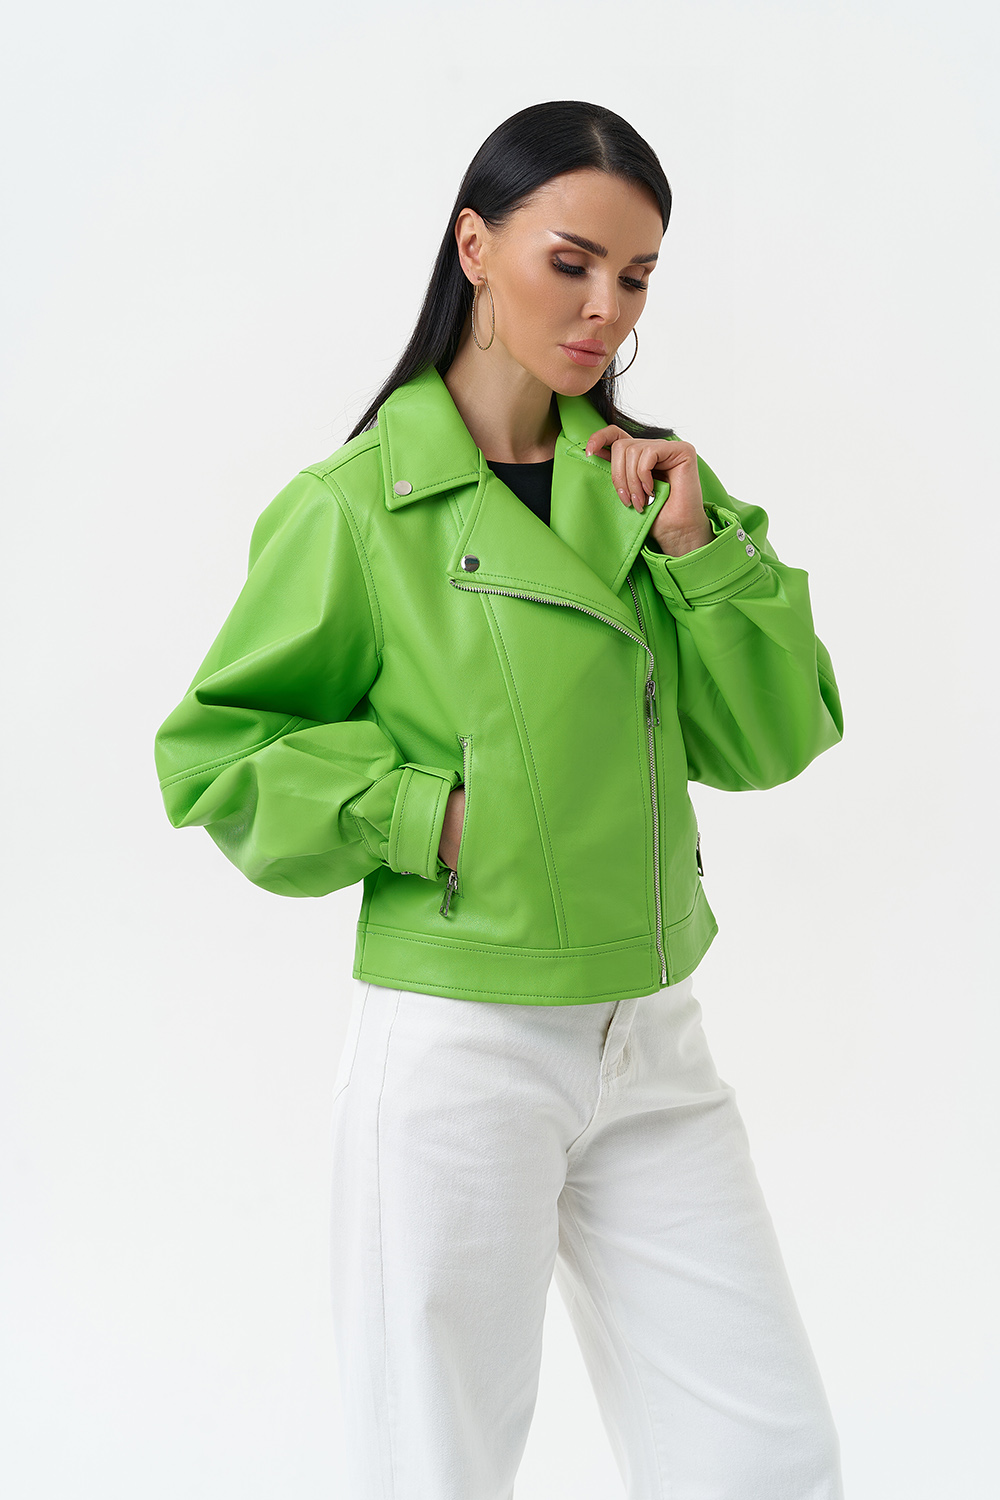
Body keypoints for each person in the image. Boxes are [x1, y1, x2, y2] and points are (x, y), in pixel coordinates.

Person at [154, 100, 845, 1499]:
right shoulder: (359, 507)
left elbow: (774, 736)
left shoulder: (648, 489)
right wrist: (431, 820)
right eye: (570, 262)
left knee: (764, 1456)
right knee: (441, 1468)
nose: (605, 311)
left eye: (636, 278)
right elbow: (216, 756)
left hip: (654, 1035)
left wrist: (700, 554)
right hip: (462, 1046)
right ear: (474, 245)